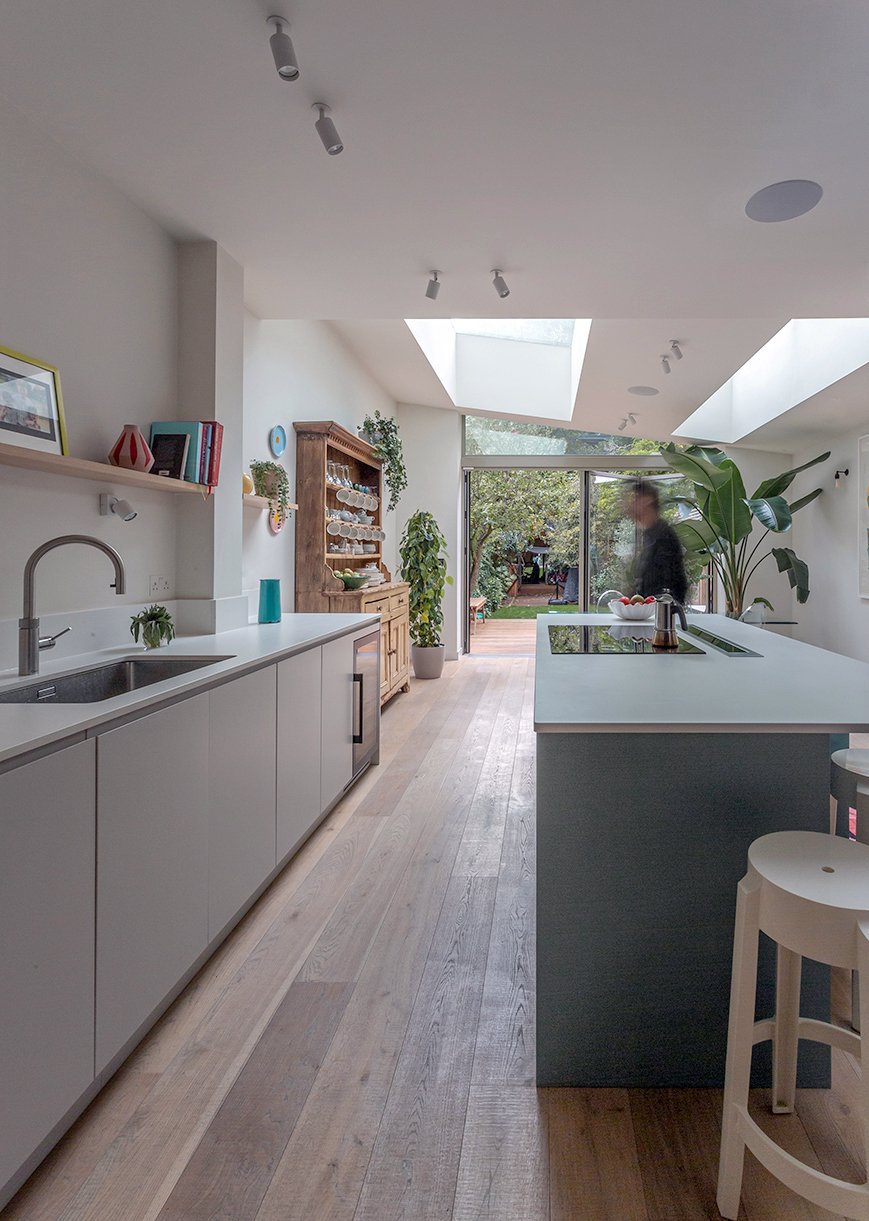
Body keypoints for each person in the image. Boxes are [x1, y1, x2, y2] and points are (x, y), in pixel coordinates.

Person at [623, 478, 688, 604]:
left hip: (662, 615)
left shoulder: (663, 537)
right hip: (654, 614)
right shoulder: (650, 535)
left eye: (636, 499)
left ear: (647, 500)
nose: (632, 504)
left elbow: (667, 587)